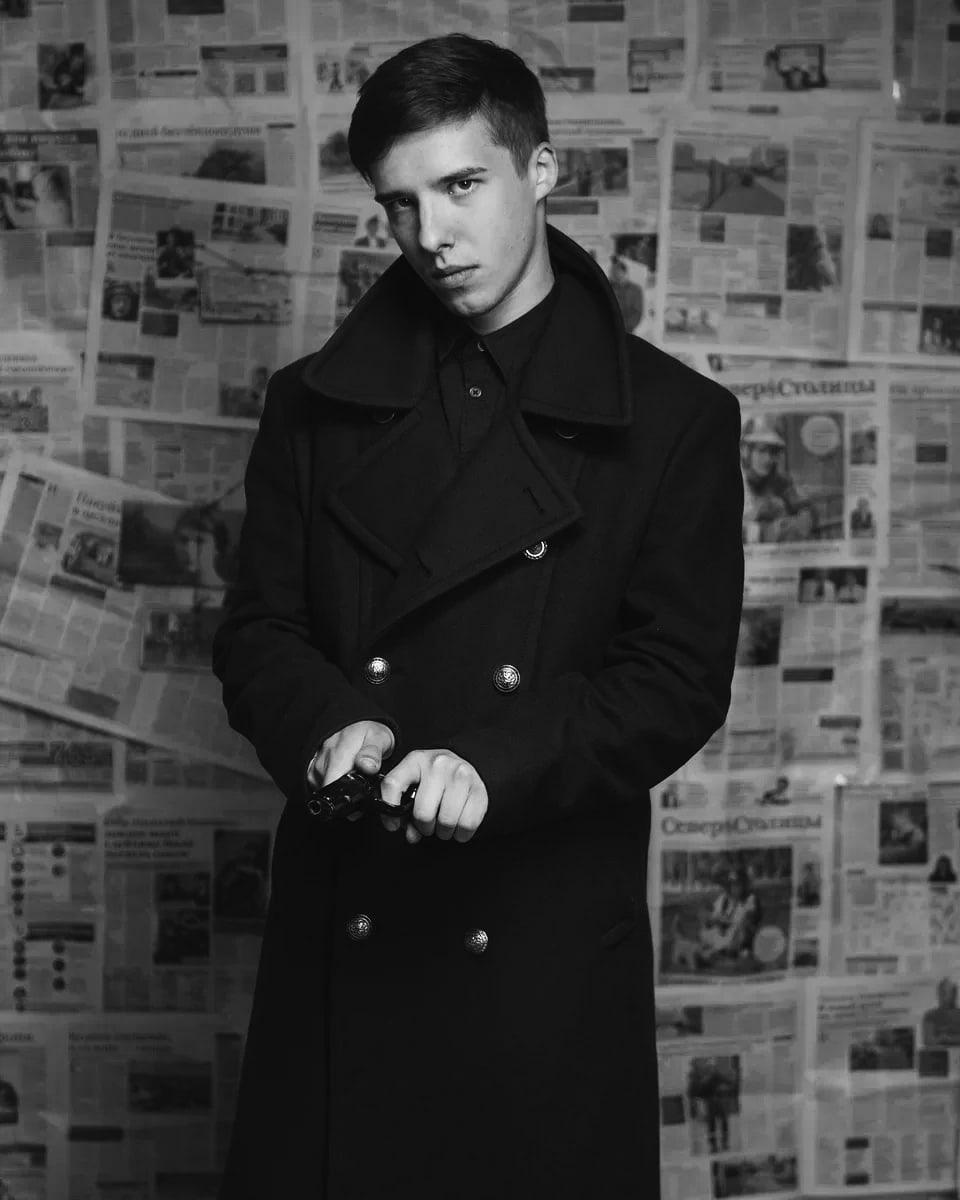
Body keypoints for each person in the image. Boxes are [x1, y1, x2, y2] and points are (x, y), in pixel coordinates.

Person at [212, 33, 744, 1200]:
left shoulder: (676, 422)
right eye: (400, 204)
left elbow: (675, 677)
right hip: (349, 940)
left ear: (541, 170)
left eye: (462, 185)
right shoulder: (310, 407)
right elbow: (259, 632)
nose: (432, 235)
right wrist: (330, 724)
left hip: (540, 951)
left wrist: (493, 763)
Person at [741, 415, 816, 543]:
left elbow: (806, 511)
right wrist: (767, 530)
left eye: (773, 452)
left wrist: (801, 519)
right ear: (745, 451)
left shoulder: (781, 482)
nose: (768, 459)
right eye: (762, 451)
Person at [922, 978, 960, 1046]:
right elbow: (928, 1040)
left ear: (954, 994)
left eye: (945, 993)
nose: (941, 996)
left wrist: (948, 1039)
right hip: (938, 1052)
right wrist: (941, 1039)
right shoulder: (930, 1015)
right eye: (941, 993)